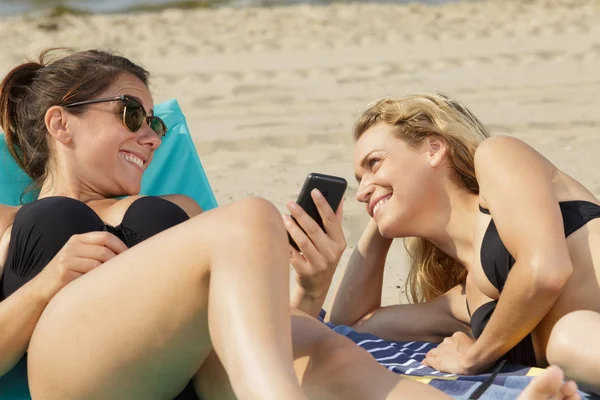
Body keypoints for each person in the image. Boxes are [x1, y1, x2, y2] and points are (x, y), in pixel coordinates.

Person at [0, 49, 581, 400]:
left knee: (319, 342)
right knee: (249, 216)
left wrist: (308, 288)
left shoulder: (182, 210)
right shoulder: (9, 219)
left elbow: (253, 333)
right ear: (61, 122)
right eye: (131, 113)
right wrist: (46, 284)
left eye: (154, 121)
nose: (151, 135)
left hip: (190, 373)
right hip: (76, 372)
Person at [297, 93, 600, 393]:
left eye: (374, 163)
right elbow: (351, 328)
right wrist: (379, 219)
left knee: (568, 338)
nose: (361, 191)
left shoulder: (499, 157)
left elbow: (546, 270)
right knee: (569, 340)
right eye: (359, 179)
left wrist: (476, 356)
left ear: (433, 148)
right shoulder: (465, 304)